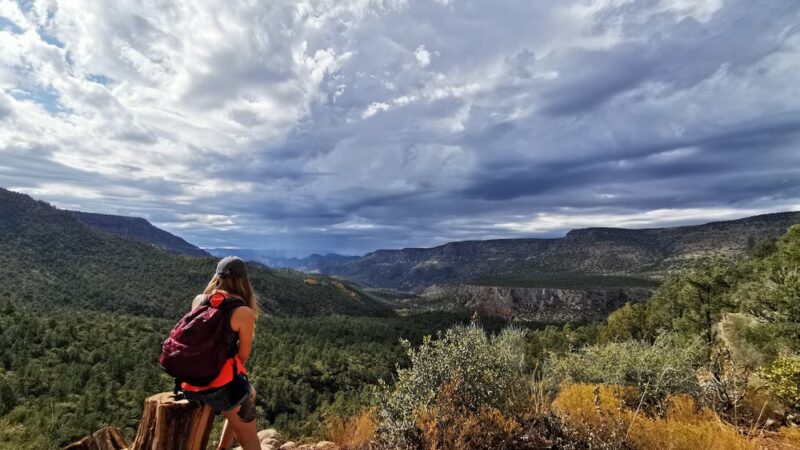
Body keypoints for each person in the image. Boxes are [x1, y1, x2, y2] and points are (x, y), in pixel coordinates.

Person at [181, 256, 260, 450]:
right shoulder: (243, 311)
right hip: (222, 388)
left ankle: (223, 447)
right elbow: (242, 356)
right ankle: (224, 446)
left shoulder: (199, 301)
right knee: (251, 442)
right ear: (243, 280)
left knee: (249, 392)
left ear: (217, 277)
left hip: (190, 384)